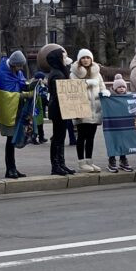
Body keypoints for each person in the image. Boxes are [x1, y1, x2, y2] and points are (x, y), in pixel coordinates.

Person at [70, 48, 108, 173]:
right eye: (83, 58)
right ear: (79, 60)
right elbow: (73, 88)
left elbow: (102, 86)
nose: (86, 60)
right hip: (81, 108)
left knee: (91, 137)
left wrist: (105, 91)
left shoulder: (97, 72)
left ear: (91, 59)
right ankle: (82, 162)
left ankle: (90, 161)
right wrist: (87, 82)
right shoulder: (73, 72)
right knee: (82, 136)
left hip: (95, 109)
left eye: (88, 57)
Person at [0, 49, 30, 177]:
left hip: (16, 109)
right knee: (10, 140)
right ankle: (9, 169)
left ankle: (13, 167)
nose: (20, 69)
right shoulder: (2, 74)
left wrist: (30, 86)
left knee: (13, 140)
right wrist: (27, 94)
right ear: (13, 64)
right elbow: (7, 96)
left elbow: (21, 83)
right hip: (8, 110)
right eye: (19, 66)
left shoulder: (16, 71)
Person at [45, 46, 77, 176]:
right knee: (58, 138)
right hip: (59, 109)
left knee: (61, 137)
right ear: (58, 59)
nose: (66, 59)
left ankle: (61, 164)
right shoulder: (57, 74)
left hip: (60, 109)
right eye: (64, 57)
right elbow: (60, 94)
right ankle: (56, 165)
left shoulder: (58, 72)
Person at [105, 74, 133, 173]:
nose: (121, 89)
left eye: (123, 87)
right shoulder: (109, 97)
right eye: (119, 87)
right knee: (113, 142)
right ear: (115, 88)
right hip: (112, 124)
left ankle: (123, 160)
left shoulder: (128, 97)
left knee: (123, 142)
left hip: (124, 125)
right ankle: (111, 161)